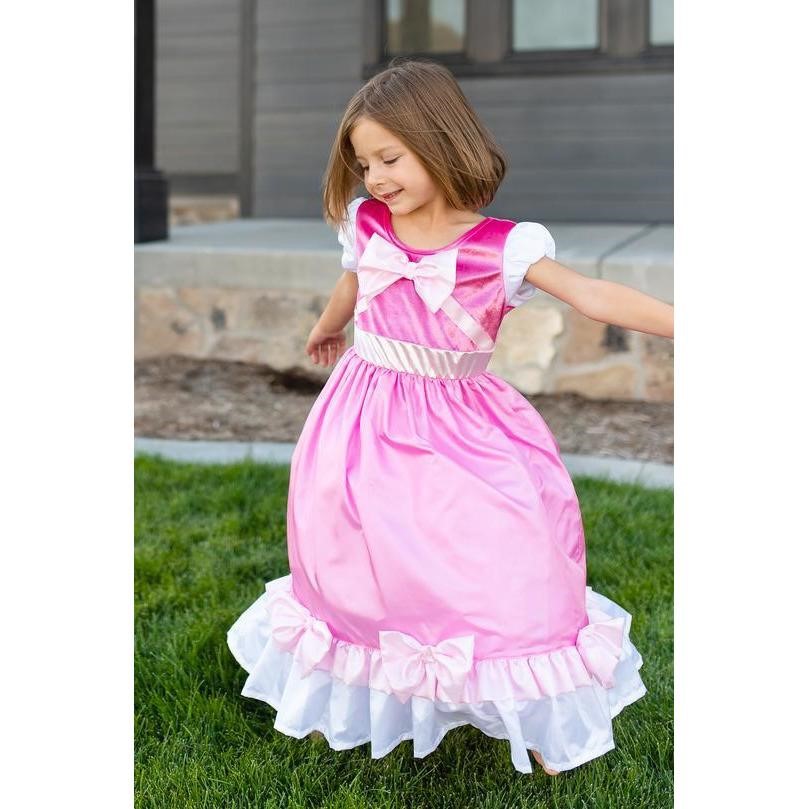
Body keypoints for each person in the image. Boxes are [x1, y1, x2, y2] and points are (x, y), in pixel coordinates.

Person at [227, 57, 673, 777]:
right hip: (363, 416)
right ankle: (355, 680)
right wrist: (328, 326)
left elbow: (592, 296)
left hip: (459, 421)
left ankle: (535, 706)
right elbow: (354, 279)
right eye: (363, 163)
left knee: (503, 552)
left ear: (440, 141)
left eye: (390, 158)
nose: (375, 178)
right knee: (361, 556)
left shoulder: (504, 247)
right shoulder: (368, 222)